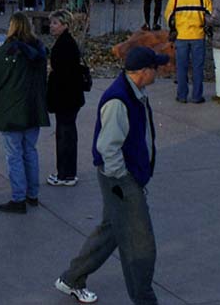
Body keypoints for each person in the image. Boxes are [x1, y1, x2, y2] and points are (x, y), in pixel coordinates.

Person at [56, 46, 168, 305]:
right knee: (141, 243)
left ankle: (72, 278)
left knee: (112, 230)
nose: (159, 71)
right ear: (143, 72)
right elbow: (107, 148)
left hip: (125, 177)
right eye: (156, 68)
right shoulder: (119, 100)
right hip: (121, 180)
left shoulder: (135, 91)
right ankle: (145, 299)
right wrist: (123, 180)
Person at [0, 13, 49, 213]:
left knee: (14, 155)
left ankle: (19, 197)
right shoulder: (39, 49)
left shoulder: (11, 49)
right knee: (30, 151)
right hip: (34, 108)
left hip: (13, 109)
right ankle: (32, 194)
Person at [46, 9, 88, 186]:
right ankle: (67, 172)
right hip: (70, 96)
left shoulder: (65, 45)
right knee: (67, 133)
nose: (51, 26)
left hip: (66, 96)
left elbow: (64, 73)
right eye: (51, 23)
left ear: (64, 25)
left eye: (55, 23)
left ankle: (65, 173)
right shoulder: (67, 43)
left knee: (65, 135)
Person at [165, 0, 212, 104]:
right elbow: (210, 17)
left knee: (181, 67)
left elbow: (168, 16)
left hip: (181, 36)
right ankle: (197, 96)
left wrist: (174, 28)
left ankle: (182, 95)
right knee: (198, 67)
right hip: (198, 35)